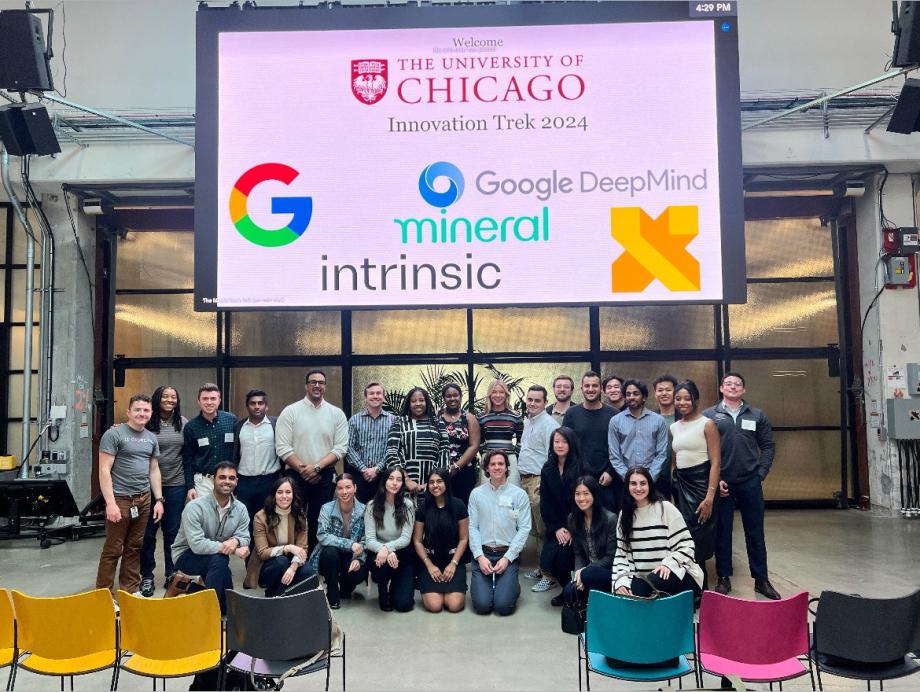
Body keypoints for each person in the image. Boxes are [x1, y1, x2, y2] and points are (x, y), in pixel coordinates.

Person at [703, 372, 780, 600]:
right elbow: (705, 451)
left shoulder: (757, 415)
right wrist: (716, 480)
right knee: (723, 532)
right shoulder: (710, 416)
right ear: (721, 388)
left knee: (755, 531)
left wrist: (761, 473)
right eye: (728, 384)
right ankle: (724, 577)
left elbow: (768, 445)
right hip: (723, 483)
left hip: (750, 481)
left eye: (737, 384)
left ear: (744, 390)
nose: (733, 387)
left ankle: (761, 579)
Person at [96, 394, 164, 596]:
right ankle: (103, 595)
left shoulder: (151, 438)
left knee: (135, 547)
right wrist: (110, 503)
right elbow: (104, 470)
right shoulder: (114, 435)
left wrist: (159, 499)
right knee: (113, 549)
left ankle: (129, 590)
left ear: (151, 413)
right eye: (138, 410)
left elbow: (154, 470)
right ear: (128, 412)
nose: (142, 414)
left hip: (143, 499)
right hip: (120, 499)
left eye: (146, 410)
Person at [275, 369, 349, 554]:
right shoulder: (290, 411)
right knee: (294, 518)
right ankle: (293, 560)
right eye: (313, 382)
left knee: (319, 519)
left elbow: (340, 447)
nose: (317, 385)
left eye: (321, 382)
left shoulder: (336, 414)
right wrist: (304, 470)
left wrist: (316, 468)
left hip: (324, 476)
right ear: (306, 385)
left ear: (325, 386)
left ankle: (315, 562)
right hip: (295, 475)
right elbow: (282, 447)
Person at [612, 466, 703, 600]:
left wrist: (669, 563)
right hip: (645, 578)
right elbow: (622, 555)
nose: (638, 488)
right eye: (633, 483)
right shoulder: (624, 515)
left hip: (678, 573)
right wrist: (621, 582)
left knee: (647, 586)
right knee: (629, 592)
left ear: (650, 485)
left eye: (643, 483)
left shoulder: (665, 508)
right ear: (627, 487)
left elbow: (687, 545)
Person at [171, 462, 250, 613]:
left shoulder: (241, 509)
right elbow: (197, 545)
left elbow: (245, 536)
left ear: (236, 482)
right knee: (220, 560)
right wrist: (232, 550)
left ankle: (194, 592)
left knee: (222, 576)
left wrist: (237, 541)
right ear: (213, 480)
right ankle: (209, 613)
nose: (227, 481)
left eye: (231, 478)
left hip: (215, 559)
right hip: (186, 555)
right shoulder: (194, 507)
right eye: (222, 477)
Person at [468, 450, 531, 616]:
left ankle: (511, 586)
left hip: (507, 554)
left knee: (503, 607)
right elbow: (473, 527)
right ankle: (493, 585)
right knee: (482, 606)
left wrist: (508, 558)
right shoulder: (476, 494)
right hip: (484, 553)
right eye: (493, 464)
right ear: (487, 468)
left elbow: (524, 528)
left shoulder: (519, 495)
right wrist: (479, 557)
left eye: (501, 464)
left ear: (507, 467)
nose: (497, 467)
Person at [671, 380, 721, 588]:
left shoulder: (707, 424)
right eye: (678, 398)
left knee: (698, 537)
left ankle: (702, 587)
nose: (682, 402)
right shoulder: (673, 427)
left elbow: (716, 462)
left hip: (701, 485)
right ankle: (688, 586)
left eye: (686, 398)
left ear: (695, 400)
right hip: (681, 484)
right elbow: (674, 462)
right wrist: (673, 493)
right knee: (681, 536)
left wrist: (710, 497)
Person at [139, 385, 187, 597]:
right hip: (147, 486)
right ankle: (147, 576)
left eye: (173, 396)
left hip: (176, 484)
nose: (169, 399)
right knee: (148, 533)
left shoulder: (183, 423)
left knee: (173, 532)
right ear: (157, 399)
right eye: (165, 396)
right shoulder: (147, 423)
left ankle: (171, 573)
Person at [517, 385, 560, 590]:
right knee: (535, 528)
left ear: (545, 402)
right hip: (525, 480)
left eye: (537, 400)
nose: (532, 403)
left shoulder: (549, 424)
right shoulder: (529, 421)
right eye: (530, 399)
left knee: (543, 528)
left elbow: (552, 457)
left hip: (538, 481)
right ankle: (541, 566)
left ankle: (549, 575)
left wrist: (545, 484)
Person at [244, 476, 315, 597]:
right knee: (281, 562)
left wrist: (293, 567)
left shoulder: (300, 515)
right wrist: (287, 548)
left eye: (288, 492)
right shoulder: (260, 517)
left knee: (309, 571)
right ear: (274, 495)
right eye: (280, 492)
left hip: (291, 560)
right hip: (266, 564)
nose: (284, 496)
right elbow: (262, 552)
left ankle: (293, 601)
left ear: (293, 495)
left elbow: (302, 548)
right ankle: (273, 599)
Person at [308, 473, 369, 609]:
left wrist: (359, 559)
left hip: (352, 555)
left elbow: (366, 539)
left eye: (348, 487)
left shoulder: (364, 510)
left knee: (358, 574)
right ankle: (332, 592)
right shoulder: (327, 508)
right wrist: (350, 544)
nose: (344, 492)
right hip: (330, 554)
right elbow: (322, 535)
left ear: (355, 488)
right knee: (330, 553)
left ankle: (346, 585)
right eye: (340, 488)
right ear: (336, 490)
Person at [413, 468, 469, 613]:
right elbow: (417, 541)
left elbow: (464, 539)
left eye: (439, 481)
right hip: (430, 560)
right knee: (434, 606)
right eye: (431, 482)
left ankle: (449, 591)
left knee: (454, 606)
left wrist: (454, 563)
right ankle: (436, 591)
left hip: (453, 559)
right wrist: (429, 565)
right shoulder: (423, 506)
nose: (435, 485)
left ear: (447, 483)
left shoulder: (459, 505)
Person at [537, 427, 583, 603]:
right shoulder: (548, 468)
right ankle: (568, 591)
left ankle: (574, 593)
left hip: (577, 524)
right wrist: (557, 528)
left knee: (564, 560)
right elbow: (545, 502)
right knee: (548, 562)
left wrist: (571, 528)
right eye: (556, 441)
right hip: (556, 526)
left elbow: (583, 501)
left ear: (571, 444)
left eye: (564, 441)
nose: (560, 445)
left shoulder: (580, 466)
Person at [563, 371, 618, 511]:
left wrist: (611, 472)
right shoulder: (571, 414)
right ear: (581, 388)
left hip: (606, 479)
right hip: (579, 478)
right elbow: (565, 445)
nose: (591, 389)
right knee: (580, 522)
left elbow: (619, 447)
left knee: (608, 520)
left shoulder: (613, 415)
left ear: (601, 389)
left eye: (595, 385)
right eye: (587, 386)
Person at [365, 466, 416, 612]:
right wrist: (384, 550)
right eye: (391, 479)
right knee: (380, 565)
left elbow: (406, 539)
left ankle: (395, 584)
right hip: (378, 554)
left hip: (402, 554)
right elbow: (369, 540)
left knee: (403, 605)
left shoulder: (408, 505)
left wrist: (388, 548)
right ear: (384, 481)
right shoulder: (371, 506)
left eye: (399, 480)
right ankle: (383, 587)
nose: (395, 483)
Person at [384, 387, 450, 500]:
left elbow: (444, 452)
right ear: (408, 404)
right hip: (403, 487)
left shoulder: (438, 423)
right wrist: (406, 480)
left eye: (421, 400)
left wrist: (433, 482)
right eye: (413, 401)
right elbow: (391, 452)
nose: (418, 403)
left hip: (434, 488)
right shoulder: (400, 422)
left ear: (427, 402)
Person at [561, 475, 617, 608]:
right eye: (577, 494)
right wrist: (578, 574)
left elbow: (610, 557)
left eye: (586, 493)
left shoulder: (610, 519)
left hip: (606, 571)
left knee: (589, 576)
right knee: (568, 592)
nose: (581, 498)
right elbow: (578, 553)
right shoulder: (573, 518)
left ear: (594, 494)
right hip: (587, 572)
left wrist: (585, 571)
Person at [608, 379, 670, 498]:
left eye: (636, 393)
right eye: (628, 394)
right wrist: (629, 479)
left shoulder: (658, 420)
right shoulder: (615, 421)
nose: (631, 397)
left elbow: (661, 454)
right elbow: (615, 456)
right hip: (624, 482)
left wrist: (649, 479)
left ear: (644, 397)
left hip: (654, 482)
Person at [232, 389, 281, 531]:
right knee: (246, 523)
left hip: (269, 481)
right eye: (253, 403)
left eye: (260, 403)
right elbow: (235, 454)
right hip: (244, 482)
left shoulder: (276, 424)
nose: (257, 406)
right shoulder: (239, 427)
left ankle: (266, 553)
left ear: (267, 406)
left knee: (269, 522)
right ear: (247, 406)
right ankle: (248, 553)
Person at [183, 383, 237, 502]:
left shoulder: (231, 420)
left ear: (219, 401)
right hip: (204, 482)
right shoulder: (191, 427)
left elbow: (237, 451)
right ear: (199, 401)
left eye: (213, 398)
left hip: (227, 481)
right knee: (205, 518)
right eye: (205, 399)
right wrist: (190, 487)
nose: (209, 402)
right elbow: (188, 459)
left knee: (226, 517)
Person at [346, 382, 395, 504]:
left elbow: (393, 448)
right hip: (359, 475)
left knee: (382, 510)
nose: (375, 396)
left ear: (383, 397)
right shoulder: (354, 420)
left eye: (379, 393)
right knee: (359, 511)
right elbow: (348, 447)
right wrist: (364, 469)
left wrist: (377, 469)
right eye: (371, 393)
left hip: (384, 475)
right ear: (365, 397)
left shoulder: (393, 420)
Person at [477, 379, 525, 486]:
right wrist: (486, 454)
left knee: (511, 494)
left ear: (506, 394)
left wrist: (514, 457)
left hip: (510, 460)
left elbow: (521, 440)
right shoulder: (482, 416)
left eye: (501, 392)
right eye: (494, 392)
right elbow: (479, 440)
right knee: (488, 494)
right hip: (488, 461)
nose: (498, 395)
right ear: (489, 395)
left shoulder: (515, 416)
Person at [440, 383, 481, 506]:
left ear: (461, 396)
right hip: (440, 471)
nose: (452, 398)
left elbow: (474, 445)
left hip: (464, 471)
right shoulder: (436, 416)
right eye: (448, 396)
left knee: (463, 507)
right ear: (444, 398)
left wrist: (456, 467)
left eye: (455, 395)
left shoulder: (469, 418)